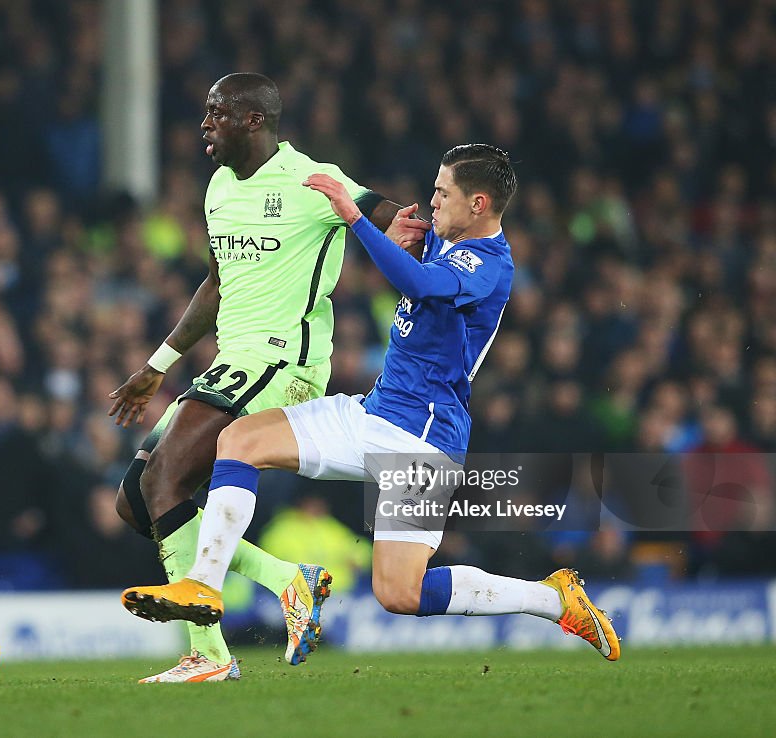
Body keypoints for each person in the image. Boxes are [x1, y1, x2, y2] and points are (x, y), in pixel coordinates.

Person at [123, 144, 621, 663]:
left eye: (442, 193)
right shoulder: (443, 240)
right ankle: (203, 584)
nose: (431, 202)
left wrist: (355, 219)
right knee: (240, 439)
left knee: (399, 593)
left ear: (478, 203)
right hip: (373, 412)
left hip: (423, 440)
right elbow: (415, 268)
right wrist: (397, 239)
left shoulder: (489, 263)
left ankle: (552, 598)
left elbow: (422, 285)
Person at [109, 73, 416, 683]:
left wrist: (416, 230)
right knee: (135, 503)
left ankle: (209, 657)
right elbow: (218, 284)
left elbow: (387, 213)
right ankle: (287, 580)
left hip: (284, 362)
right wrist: (156, 366)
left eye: (216, 113)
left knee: (166, 480)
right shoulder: (220, 187)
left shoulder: (310, 178)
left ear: (253, 120)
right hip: (233, 361)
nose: (205, 126)